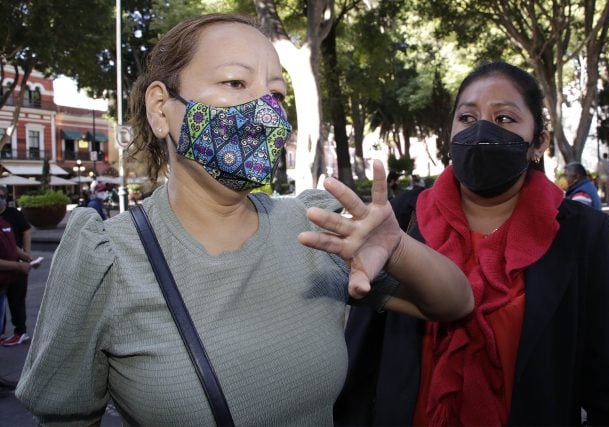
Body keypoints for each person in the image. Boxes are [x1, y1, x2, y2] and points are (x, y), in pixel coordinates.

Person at [15, 13, 473, 426]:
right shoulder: (106, 259)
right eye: (236, 83)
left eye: (275, 93)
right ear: (160, 108)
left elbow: (454, 305)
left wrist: (396, 248)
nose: (266, 109)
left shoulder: (315, 228)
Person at [335, 61, 609, 426]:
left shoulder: (583, 234)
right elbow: (361, 361)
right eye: (467, 118)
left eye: (505, 119)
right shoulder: (402, 219)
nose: (481, 130)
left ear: (538, 143)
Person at [0, 185, 33, 347]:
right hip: (8, 268)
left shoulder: (12, 215)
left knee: (16, 300)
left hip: (16, 266)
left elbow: (25, 232)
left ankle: (20, 331)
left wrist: (25, 255)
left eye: (1, 196)